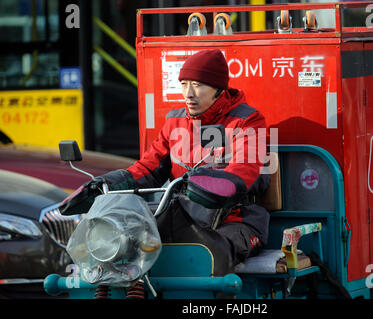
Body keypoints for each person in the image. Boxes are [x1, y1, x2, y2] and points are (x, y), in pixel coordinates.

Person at [60, 49, 270, 274]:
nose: (189, 93)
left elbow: (245, 169)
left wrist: (210, 184)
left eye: (198, 85)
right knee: (123, 248)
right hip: (182, 215)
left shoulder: (248, 121)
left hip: (236, 220)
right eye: (184, 84)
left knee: (211, 254)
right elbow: (148, 167)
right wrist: (106, 184)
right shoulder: (174, 121)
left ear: (219, 89)